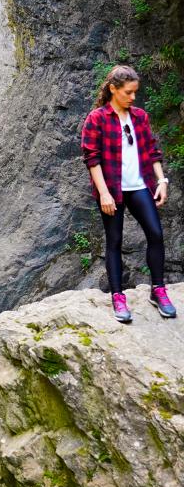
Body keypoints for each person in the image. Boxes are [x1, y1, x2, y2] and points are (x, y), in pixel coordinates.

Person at [81, 64, 177, 322]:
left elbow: (152, 150)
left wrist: (161, 181)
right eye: (129, 92)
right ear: (113, 89)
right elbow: (92, 159)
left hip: (139, 187)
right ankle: (118, 298)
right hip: (112, 189)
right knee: (114, 242)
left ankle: (158, 290)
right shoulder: (97, 118)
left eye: (135, 92)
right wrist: (104, 194)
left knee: (156, 234)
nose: (133, 97)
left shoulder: (139, 117)